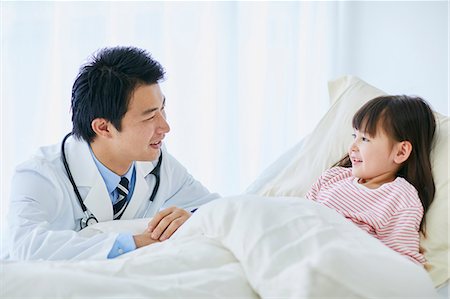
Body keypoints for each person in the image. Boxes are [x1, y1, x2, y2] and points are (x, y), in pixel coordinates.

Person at [6, 46, 220, 260]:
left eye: (162, 109)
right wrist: (132, 243)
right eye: (149, 117)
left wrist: (191, 219)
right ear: (103, 128)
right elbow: (24, 246)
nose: (165, 127)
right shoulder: (39, 174)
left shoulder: (158, 162)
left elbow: (218, 210)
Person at [305, 95, 436, 265]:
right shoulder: (332, 177)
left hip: (337, 261)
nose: (352, 147)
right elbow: (299, 214)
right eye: (354, 136)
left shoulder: (400, 198)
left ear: (401, 152)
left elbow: (404, 264)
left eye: (365, 139)